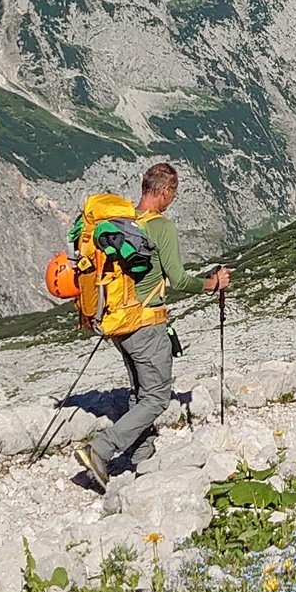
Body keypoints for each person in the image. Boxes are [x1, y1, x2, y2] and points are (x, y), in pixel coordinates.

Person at [74, 163, 230, 491]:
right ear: (163, 192)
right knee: (157, 397)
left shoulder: (123, 223)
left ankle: (143, 458)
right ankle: (100, 450)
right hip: (147, 323)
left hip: (120, 324)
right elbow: (178, 279)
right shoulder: (161, 227)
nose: (173, 200)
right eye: (173, 193)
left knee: (139, 393)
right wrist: (211, 284)